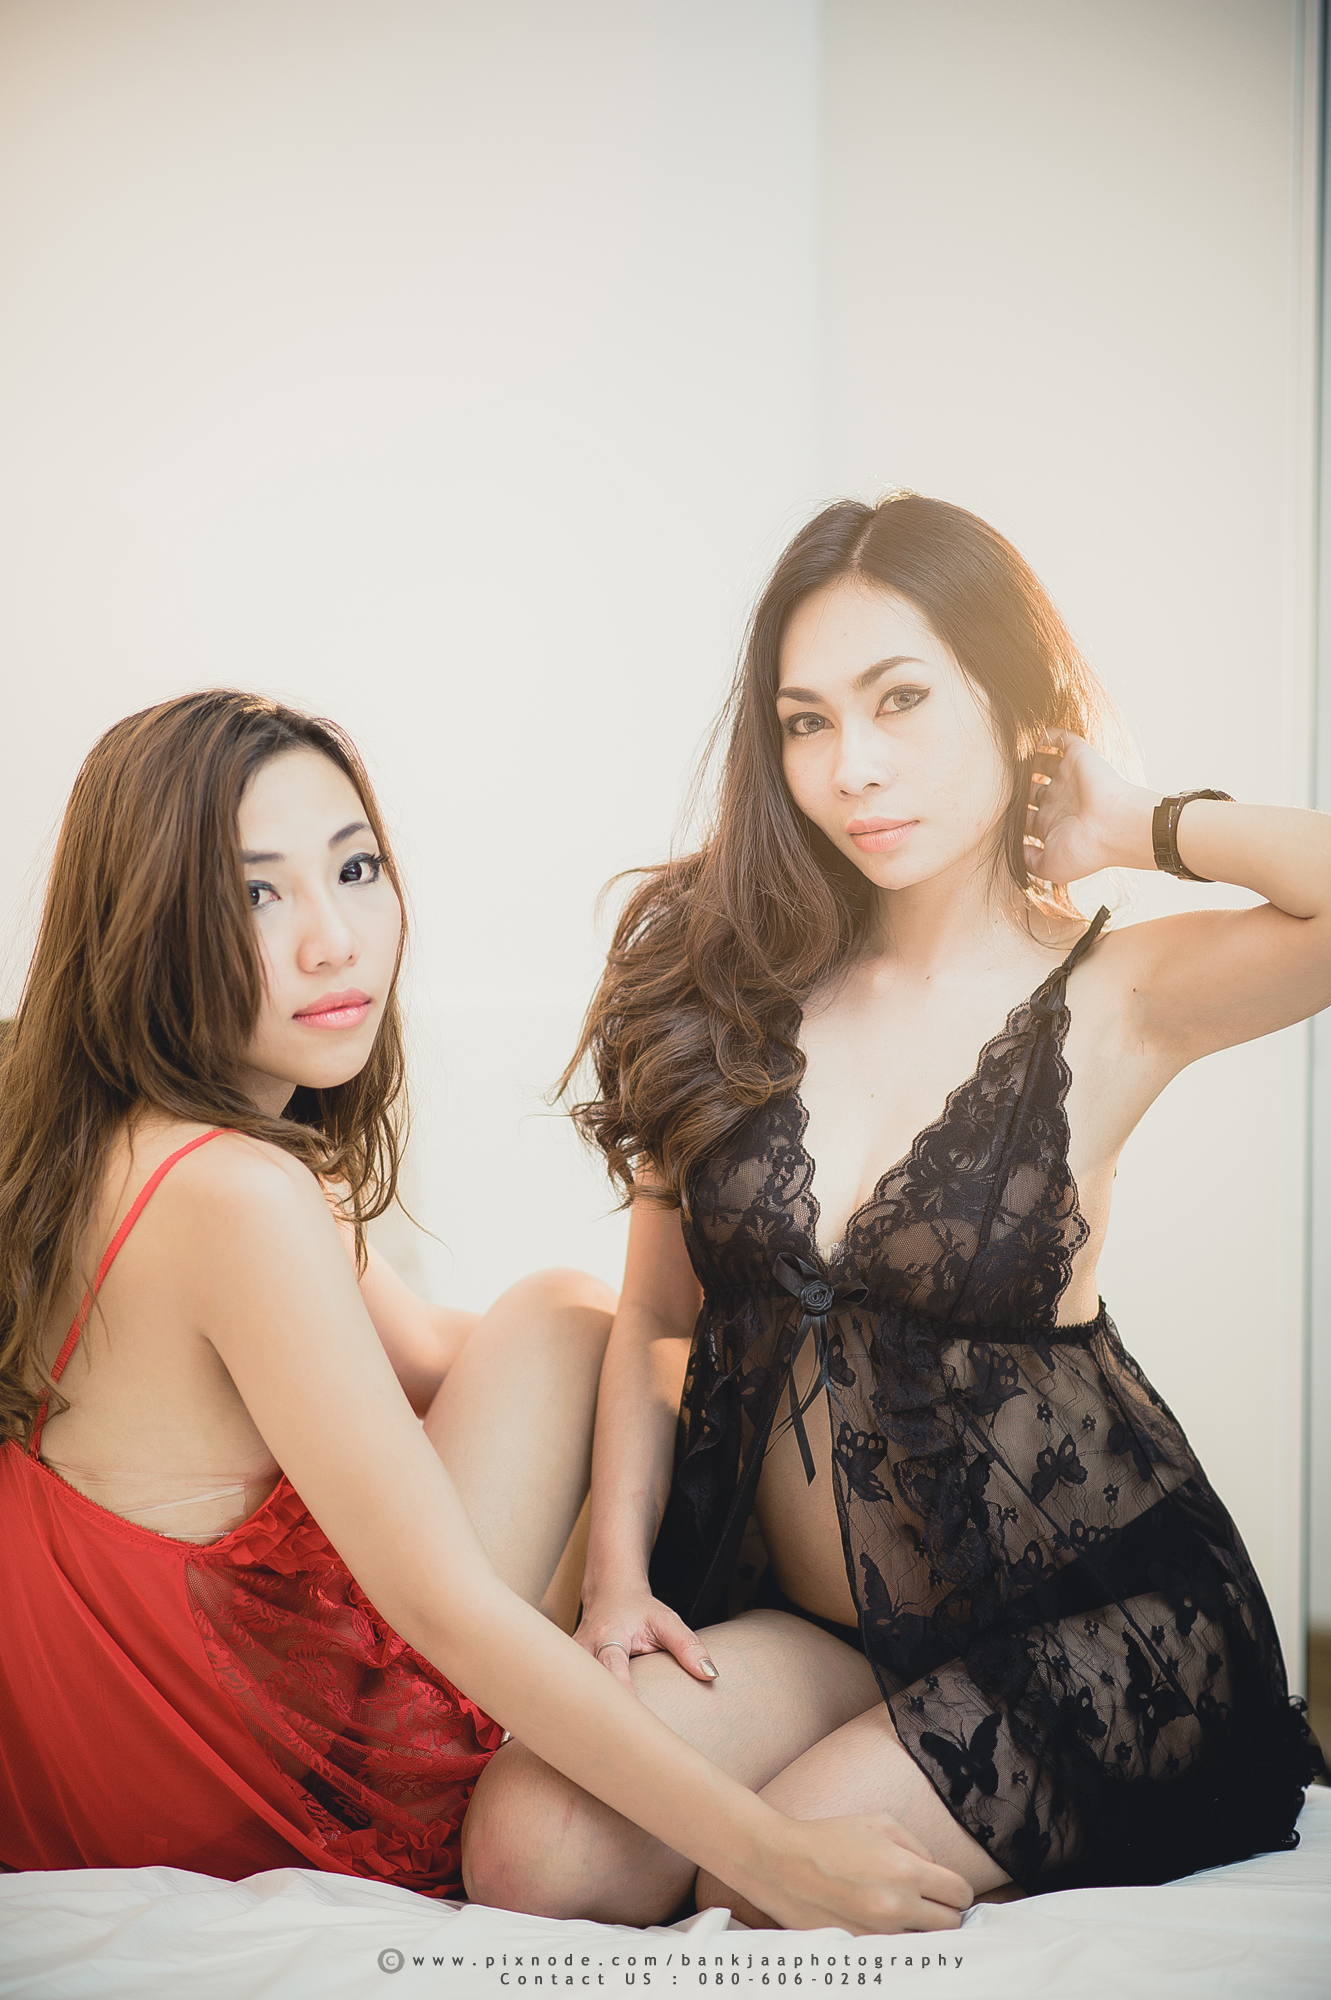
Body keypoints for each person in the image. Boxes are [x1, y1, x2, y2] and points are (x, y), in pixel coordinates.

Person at [460, 492, 1325, 1926]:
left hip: (1089, 1613)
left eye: (900, 699)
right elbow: (658, 1319)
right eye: (804, 721)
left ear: (1013, 698)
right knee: (531, 1854)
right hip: (830, 1631)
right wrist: (614, 1581)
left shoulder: (1116, 994)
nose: (849, 766)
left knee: (773, 1877)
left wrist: (1139, 820)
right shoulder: (712, 979)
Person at [0, 688, 976, 1934]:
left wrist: (687, 1363)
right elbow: (443, 1604)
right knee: (586, 1339)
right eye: (254, 893)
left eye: (354, 868)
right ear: (143, 919)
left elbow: (439, 1356)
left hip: (105, 1778)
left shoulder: (98, 1138)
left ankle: (787, 1573)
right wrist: (772, 1853)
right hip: (266, 1791)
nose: (333, 940)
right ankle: (859, 1617)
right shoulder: (233, 1197)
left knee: (565, 1321)